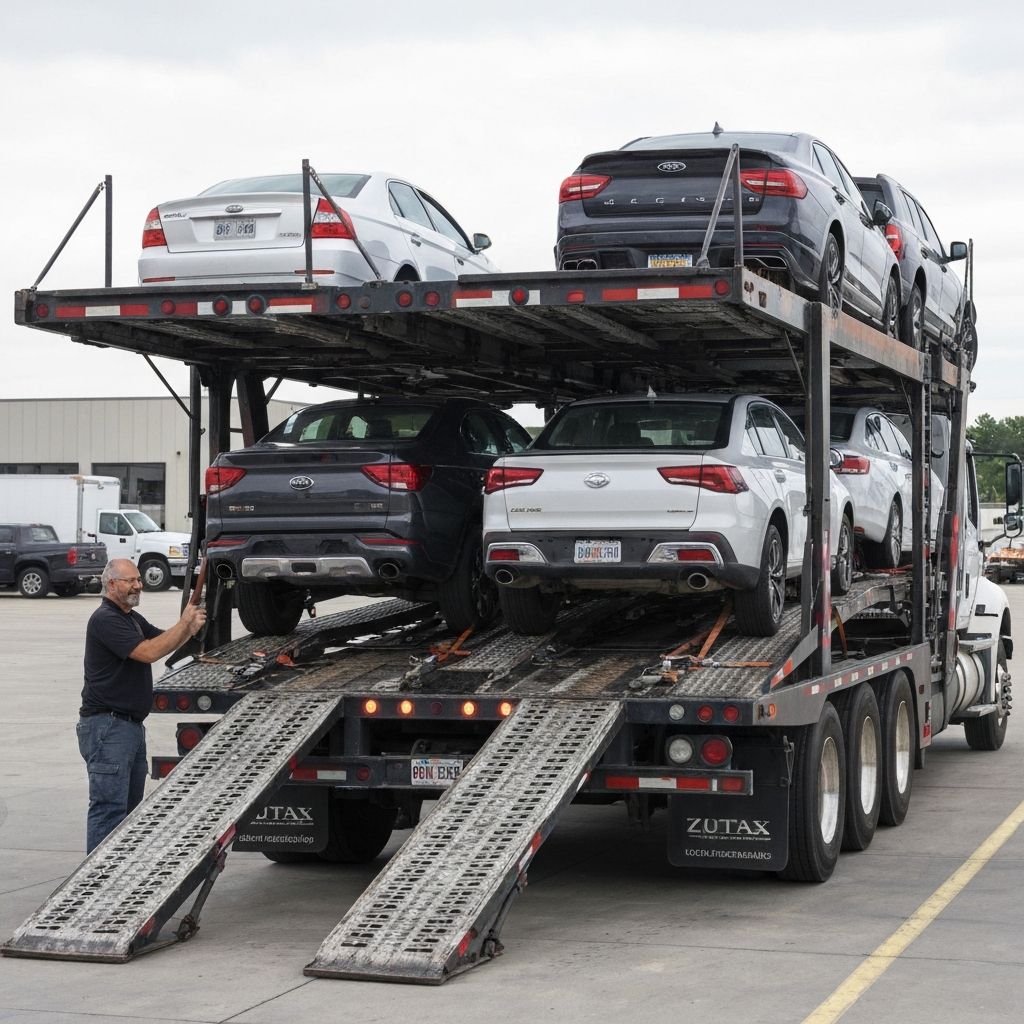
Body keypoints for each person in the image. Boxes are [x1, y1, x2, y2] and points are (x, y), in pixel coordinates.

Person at [77, 557, 206, 853]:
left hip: (128, 728)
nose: (139, 585)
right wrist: (184, 624)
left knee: (127, 813)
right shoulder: (106, 619)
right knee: (109, 809)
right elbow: (149, 652)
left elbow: (164, 639)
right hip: (107, 728)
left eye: (138, 579)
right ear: (112, 585)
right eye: (131, 580)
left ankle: (114, 870)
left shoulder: (131, 618)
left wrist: (189, 628)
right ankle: (98, 882)